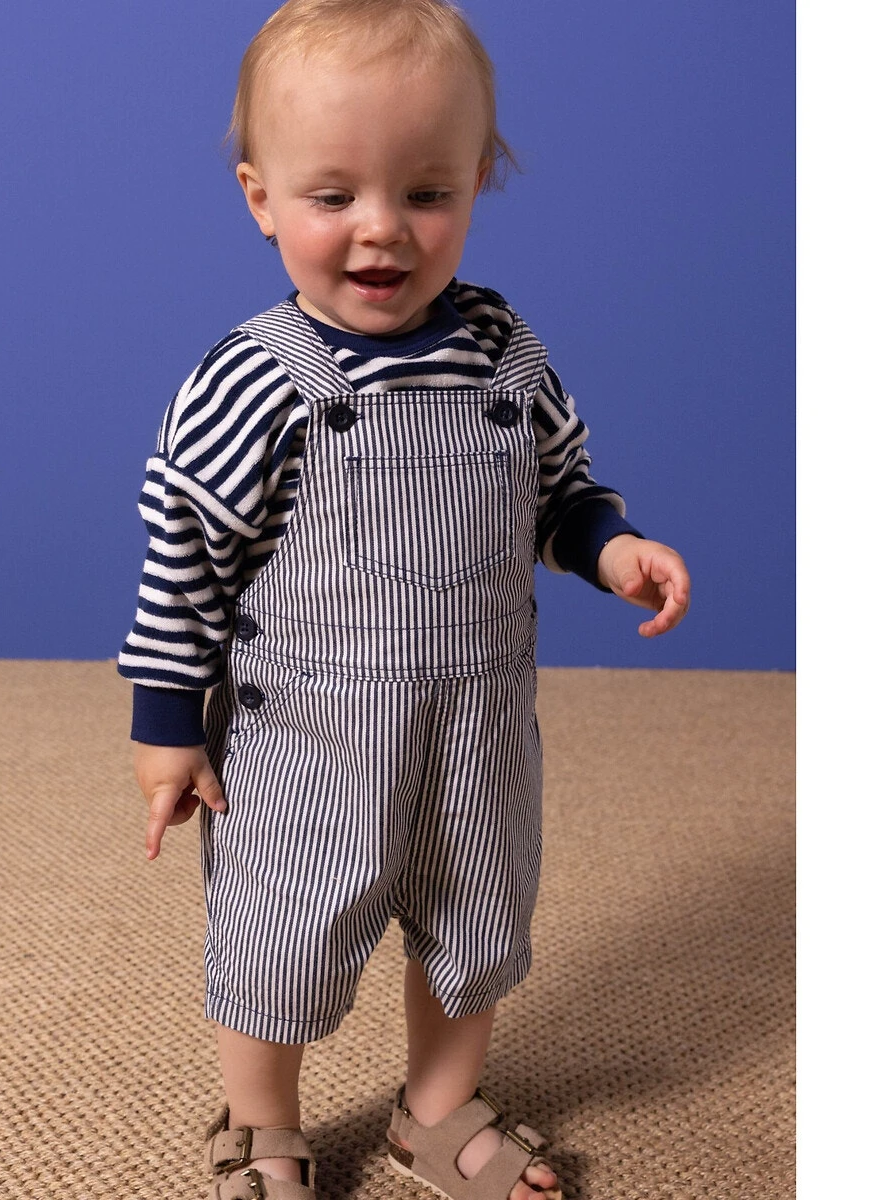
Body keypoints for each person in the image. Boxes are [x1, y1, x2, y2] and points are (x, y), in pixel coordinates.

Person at [118, 2, 691, 1196]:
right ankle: (260, 1123)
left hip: (476, 733)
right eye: (333, 196)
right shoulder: (254, 380)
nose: (382, 228)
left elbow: (558, 490)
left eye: (426, 192)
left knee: (475, 926)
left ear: (476, 181)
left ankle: (436, 1109)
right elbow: (183, 559)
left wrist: (612, 547)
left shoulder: (504, 354)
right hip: (308, 740)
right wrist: (167, 724)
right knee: (279, 939)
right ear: (260, 197)